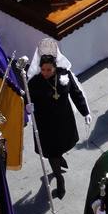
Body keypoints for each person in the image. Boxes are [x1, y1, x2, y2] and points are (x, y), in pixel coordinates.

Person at [27, 44, 91, 199]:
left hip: (63, 120)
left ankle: (59, 158)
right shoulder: (34, 82)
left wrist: (85, 112)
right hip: (45, 124)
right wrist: (27, 107)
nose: (45, 73)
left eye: (49, 70)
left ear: (55, 67)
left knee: (61, 146)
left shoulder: (65, 75)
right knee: (51, 152)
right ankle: (60, 180)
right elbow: (27, 99)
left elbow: (76, 94)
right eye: (43, 70)